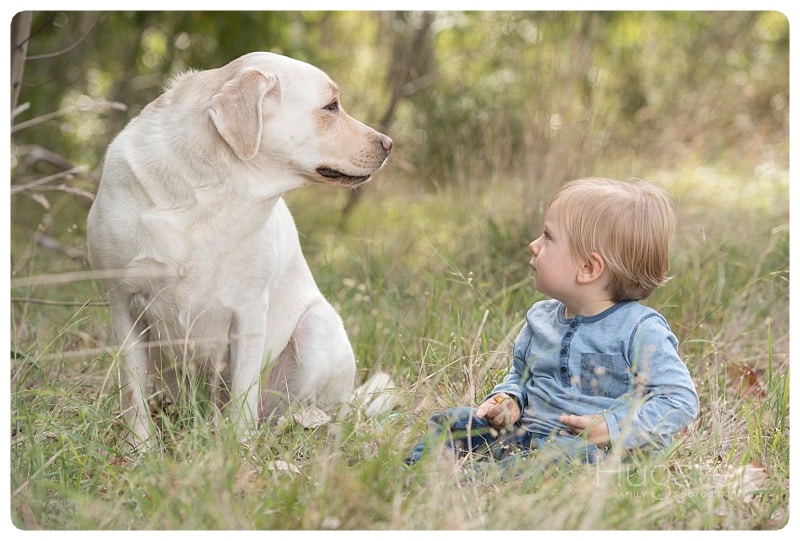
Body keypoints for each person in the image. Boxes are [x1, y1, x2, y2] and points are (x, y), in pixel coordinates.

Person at [407, 177, 700, 465]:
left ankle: (481, 479)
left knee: (560, 457)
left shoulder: (639, 330)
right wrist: (510, 399)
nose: (534, 245)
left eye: (548, 237)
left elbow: (680, 400)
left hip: (592, 448)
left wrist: (613, 427)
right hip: (527, 433)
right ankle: (416, 469)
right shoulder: (541, 318)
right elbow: (521, 375)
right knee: (458, 421)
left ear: (588, 267)